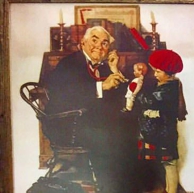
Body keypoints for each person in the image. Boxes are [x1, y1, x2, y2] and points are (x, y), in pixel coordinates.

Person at [45, 26, 136, 193]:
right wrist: (101, 86)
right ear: (83, 42)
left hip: (89, 122)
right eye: (94, 40)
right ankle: (109, 187)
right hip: (66, 125)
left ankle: (121, 187)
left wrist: (115, 70)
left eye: (104, 43)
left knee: (128, 130)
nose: (99, 46)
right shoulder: (69, 64)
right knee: (108, 137)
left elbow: (125, 95)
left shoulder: (103, 66)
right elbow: (65, 96)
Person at [138, 49, 187, 193]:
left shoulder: (168, 88)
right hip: (163, 133)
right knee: (167, 164)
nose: (155, 74)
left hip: (163, 134)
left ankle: (171, 190)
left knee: (169, 164)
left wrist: (139, 90)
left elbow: (149, 100)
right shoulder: (171, 84)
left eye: (158, 72)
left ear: (169, 73)